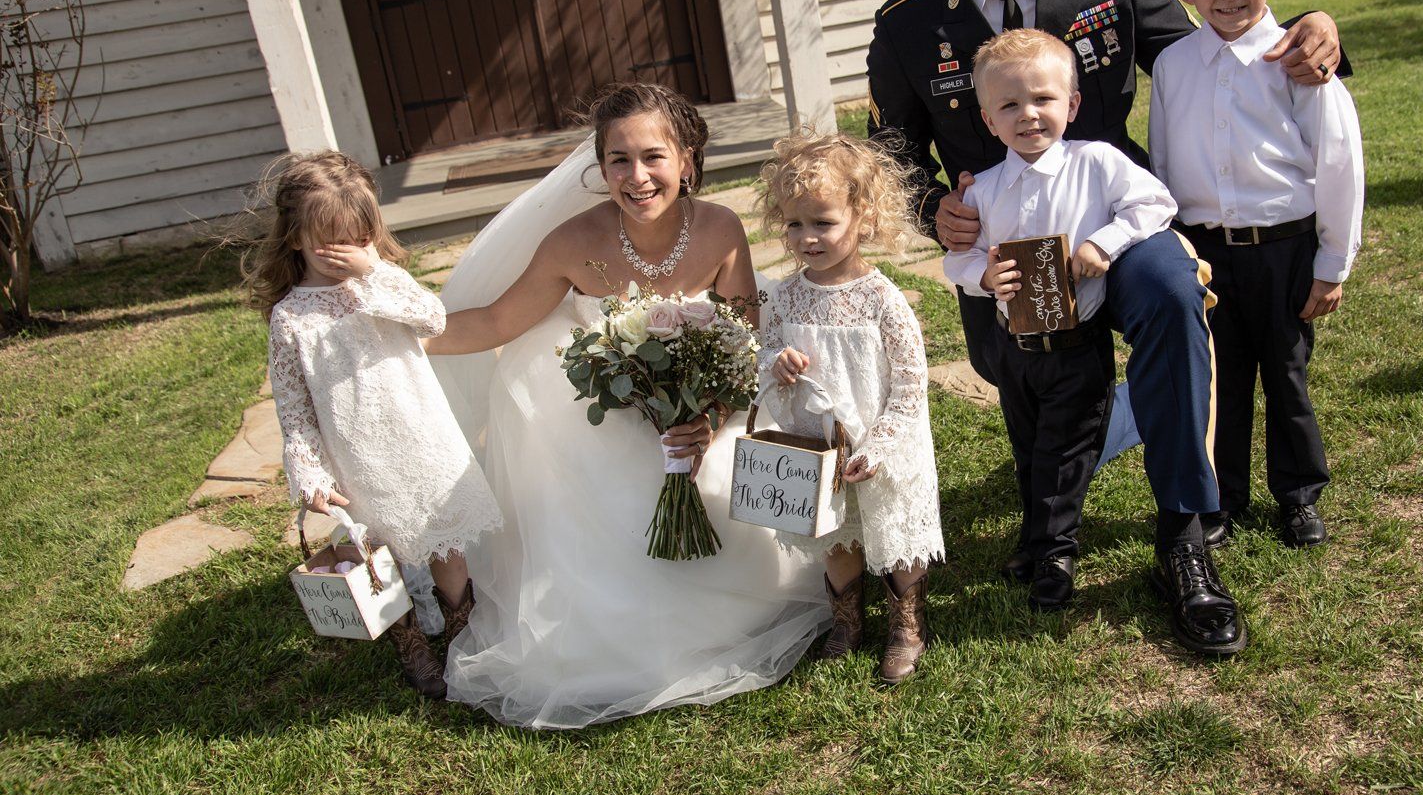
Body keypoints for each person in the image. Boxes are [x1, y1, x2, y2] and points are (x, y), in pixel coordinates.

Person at [867, 0, 1347, 649]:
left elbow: (1217, 47)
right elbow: (893, 154)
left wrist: (1308, 24)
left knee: (1170, 296)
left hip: (1119, 225)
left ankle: (1186, 539)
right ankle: (1049, 535)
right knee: (1029, 377)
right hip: (1010, 249)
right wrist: (938, 208)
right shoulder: (905, 25)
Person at [422, 83, 829, 730]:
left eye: (653, 157)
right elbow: (497, 321)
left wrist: (706, 421)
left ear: (688, 159)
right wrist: (398, 334)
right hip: (596, 408)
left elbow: (746, 342)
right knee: (597, 485)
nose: (636, 177)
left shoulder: (721, 230)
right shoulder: (570, 242)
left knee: (727, 480)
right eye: (618, 160)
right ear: (600, 165)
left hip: (700, 409)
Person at [947, 32, 1243, 654]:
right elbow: (959, 259)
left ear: (1073, 105)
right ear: (987, 119)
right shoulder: (984, 190)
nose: (1028, 115)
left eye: (1044, 100)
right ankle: (1036, 545)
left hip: (1078, 341)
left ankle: (1061, 558)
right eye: (1009, 107)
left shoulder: (1097, 162)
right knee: (1030, 446)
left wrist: (1103, 244)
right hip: (1018, 346)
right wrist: (980, 273)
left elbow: (1154, 202)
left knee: (1067, 448)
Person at [1149, 0, 1364, 551]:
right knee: (1223, 380)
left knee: (1286, 374)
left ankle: (1298, 495)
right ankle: (1225, 498)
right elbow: (1163, 159)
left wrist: (1331, 265)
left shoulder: (1298, 61)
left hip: (1285, 249)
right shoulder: (1172, 67)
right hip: (1209, 253)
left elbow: (1338, 161)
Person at [248, 151, 501, 699]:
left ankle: (461, 629)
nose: (345, 254)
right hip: (358, 451)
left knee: (444, 539)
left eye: (357, 239)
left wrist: (376, 271)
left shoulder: (384, 285)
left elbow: (432, 317)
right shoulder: (292, 318)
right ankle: (409, 639)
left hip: (421, 435)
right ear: (295, 238)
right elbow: (293, 409)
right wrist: (310, 475)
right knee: (380, 551)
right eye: (328, 241)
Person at [756, 131, 945, 683]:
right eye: (795, 224)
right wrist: (776, 362)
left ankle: (906, 625)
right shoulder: (786, 296)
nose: (807, 238)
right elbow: (763, 354)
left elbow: (911, 383)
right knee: (838, 535)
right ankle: (846, 621)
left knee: (895, 534)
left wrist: (882, 445)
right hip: (821, 446)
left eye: (823, 222)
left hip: (883, 440)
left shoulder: (881, 298)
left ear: (861, 216)